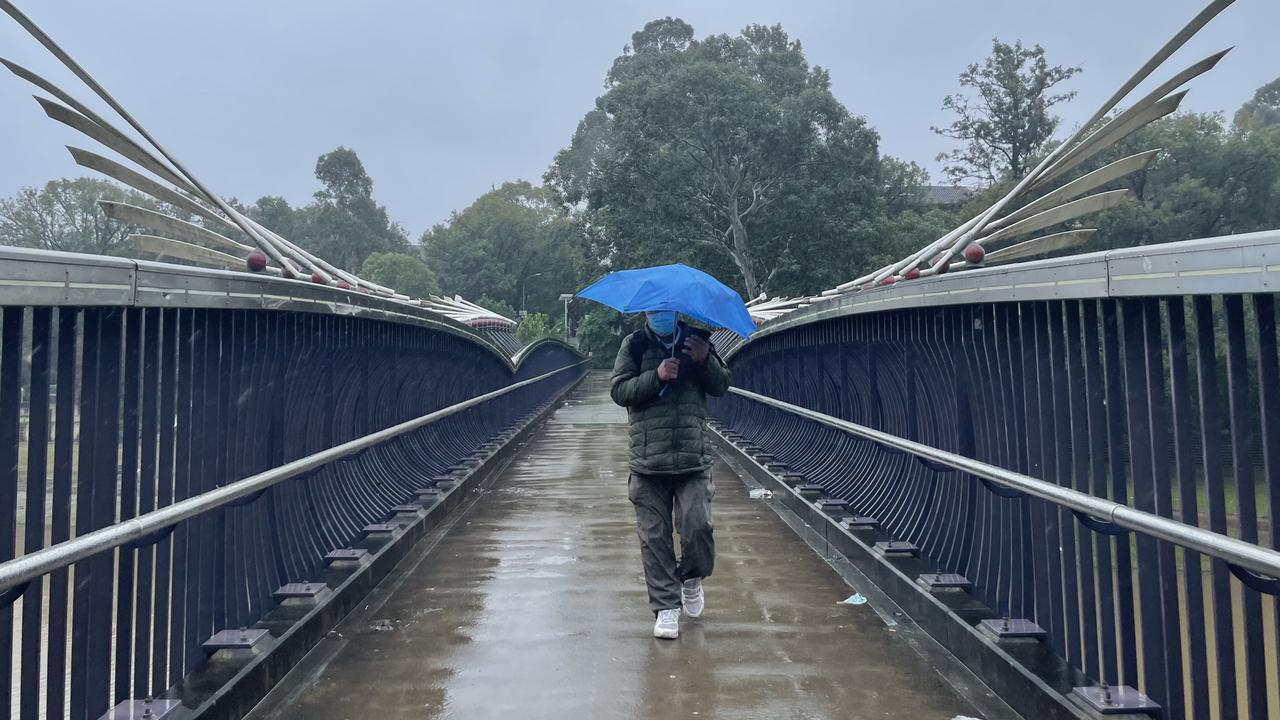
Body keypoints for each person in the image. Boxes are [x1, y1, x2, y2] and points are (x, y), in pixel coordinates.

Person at [610, 309, 731, 639]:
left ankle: (691, 578)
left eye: (666, 310)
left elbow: (722, 386)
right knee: (653, 537)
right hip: (648, 460)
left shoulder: (698, 339)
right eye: (654, 310)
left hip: (692, 456)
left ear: (676, 311)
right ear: (647, 313)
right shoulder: (634, 345)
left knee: (698, 525)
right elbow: (619, 391)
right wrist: (657, 376)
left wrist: (706, 360)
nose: (660, 315)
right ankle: (666, 607)